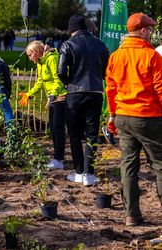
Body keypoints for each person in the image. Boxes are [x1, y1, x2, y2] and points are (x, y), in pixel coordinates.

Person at [106, 13, 162, 226]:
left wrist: (112, 116)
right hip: (149, 117)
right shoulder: (152, 57)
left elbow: (110, 90)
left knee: (128, 166)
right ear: (143, 31)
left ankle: (131, 215)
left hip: (123, 116)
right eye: (150, 30)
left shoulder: (115, 56)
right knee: (160, 165)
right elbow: (160, 89)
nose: (151, 34)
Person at [58, 15, 109, 186]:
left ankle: (79, 171)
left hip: (75, 92)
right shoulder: (100, 44)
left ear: (71, 29)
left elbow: (60, 71)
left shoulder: (68, 44)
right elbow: (105, 68)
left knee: (74, 134)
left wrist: (68, 83)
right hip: (95, 91)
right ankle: (89, 173)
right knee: (92, 134)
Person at [19, 41, 67, 169]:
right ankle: (58, 158)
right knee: (53, 128)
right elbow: (40, 82)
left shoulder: (52, 59)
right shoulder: (40, 62)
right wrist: (29, 94)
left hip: (60, 97)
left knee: (58, 129)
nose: (30, 58)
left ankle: (59, 160)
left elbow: (59, 79)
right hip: (52, 98)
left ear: (37, 52)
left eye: (30, 55)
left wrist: (53, 94)